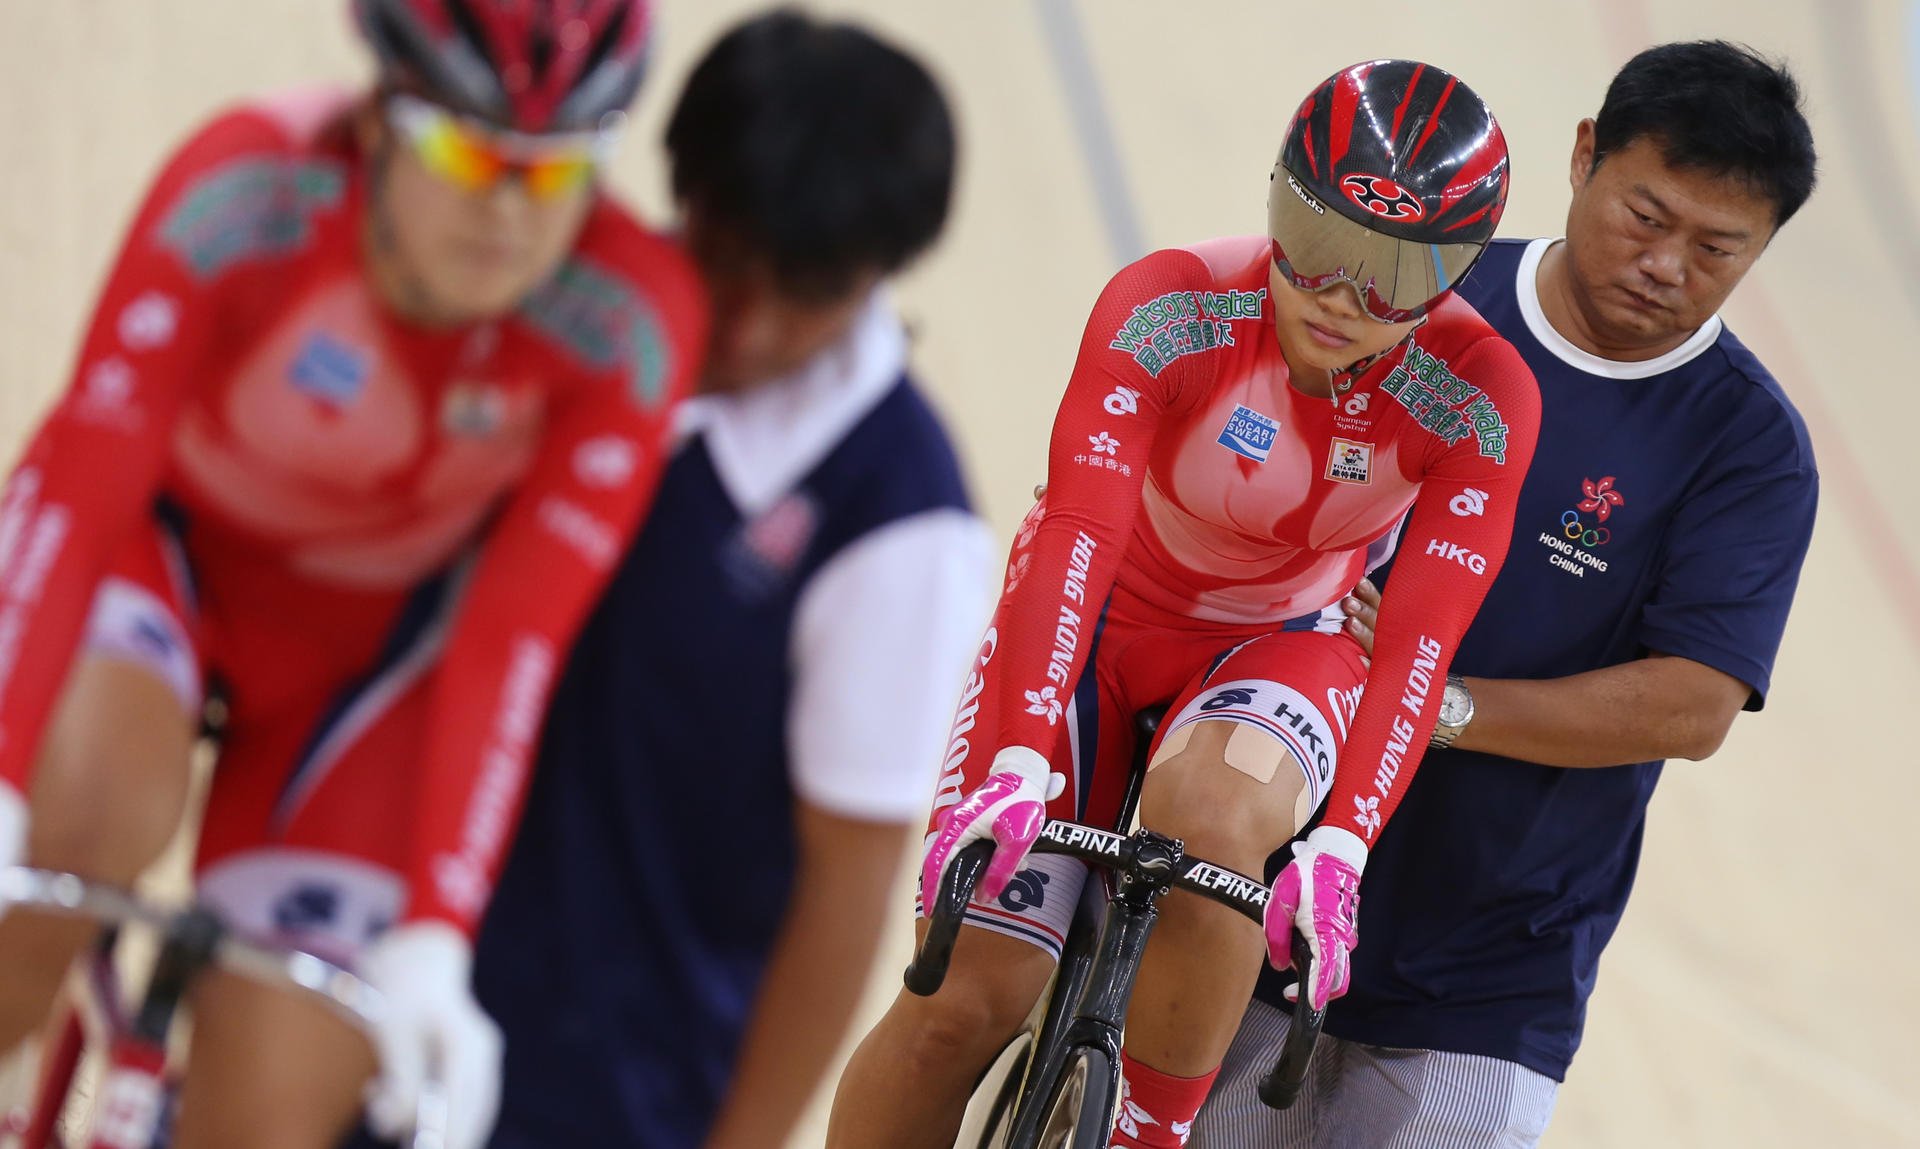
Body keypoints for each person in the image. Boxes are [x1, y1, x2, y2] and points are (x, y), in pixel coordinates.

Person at [0, 3, 705, 1148]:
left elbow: (513, 640)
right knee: (79, 818)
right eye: (471, 152)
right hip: (165, 567)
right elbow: (81, 489)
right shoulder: (244, 196)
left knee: (274, 1108)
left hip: (366, 668)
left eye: (563, 167)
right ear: (381, 116)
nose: (512, 212)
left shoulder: (625, 323)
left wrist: (437, 930)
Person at [828, 59, 1540, 1149]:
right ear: (1274, 202)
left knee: (1212, 832)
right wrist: (1020, 757)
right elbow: (1074, 535)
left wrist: (1344, 844)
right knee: (960, 1006)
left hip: (1283, 643)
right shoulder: (1173, 306)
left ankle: (1145, 1132)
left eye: (1396, 272)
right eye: (1319, 243)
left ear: (1459, 276)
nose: (1343, 298)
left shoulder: (1480, 399)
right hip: (1099, 616)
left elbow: (1419, 641)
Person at [1190, 40, 1820, 1149]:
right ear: (1583, 158)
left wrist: (1442, 702)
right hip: (1258, 885)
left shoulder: (1751, 447)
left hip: (1489, 978)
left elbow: (1693, 704)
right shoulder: (1412, 297)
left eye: (1718, 247)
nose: (1669, 264)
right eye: (1648, 216)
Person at [436, 12, 990, 1149]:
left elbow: (848, 891)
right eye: (727, 263)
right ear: (682, 193)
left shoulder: (901, 522)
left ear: (877, 275)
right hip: (394, 961)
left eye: (809, 291)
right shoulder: (568, 318)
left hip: (608, 1089)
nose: (749, 324)